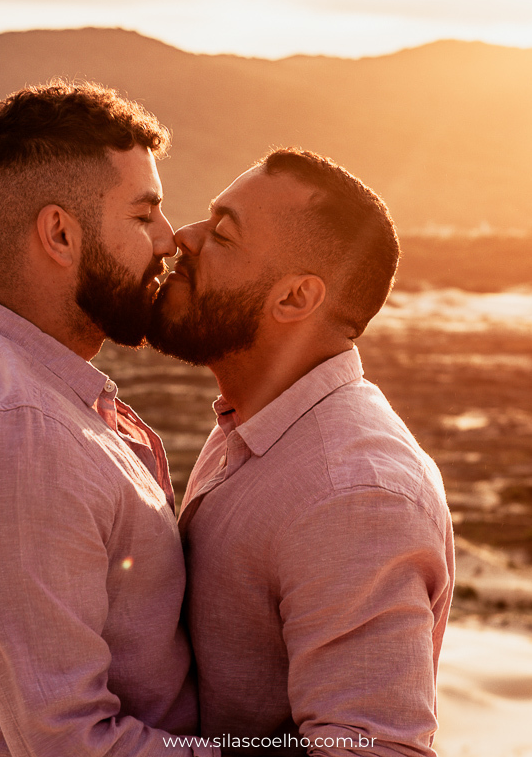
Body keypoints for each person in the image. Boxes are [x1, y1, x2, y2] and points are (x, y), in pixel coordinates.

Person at [0, 81, 216, 757]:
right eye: (143, 216)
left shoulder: (28, 397)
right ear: (60, 233)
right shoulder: (22, 428)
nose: (168, 240)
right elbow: (69, 743)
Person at [148, 149, 455, 756]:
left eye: (223, 235)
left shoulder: (354, 494)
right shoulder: (255, 424)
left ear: (293, 299)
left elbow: (374, 750)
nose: (184, 237)